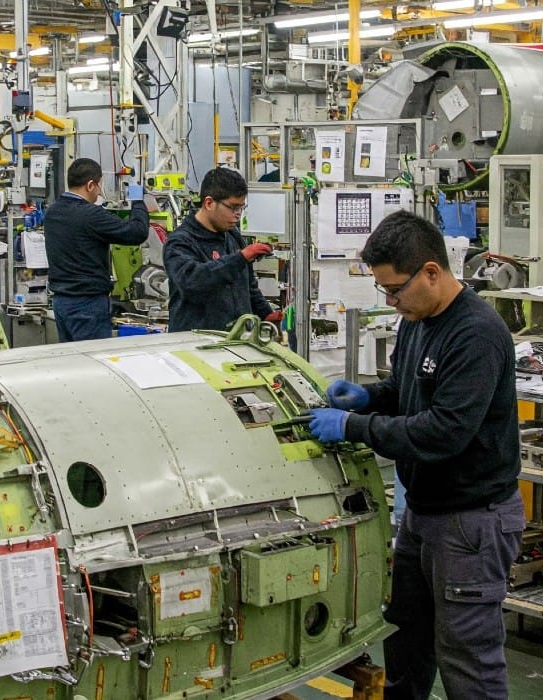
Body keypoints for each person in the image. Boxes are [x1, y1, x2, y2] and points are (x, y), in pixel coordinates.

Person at [308, 210, 524, 699]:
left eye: (395, 290)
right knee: (405, 641)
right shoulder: (416, 319)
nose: (390, 301)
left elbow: (444, 431)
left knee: (468, 659)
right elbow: (407, 392)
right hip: (423, 514)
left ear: (431, 272)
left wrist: (353, 427)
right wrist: (368, 397)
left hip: (471, 521)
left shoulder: (476, 333)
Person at [44, 157, 149, 341]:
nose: (100, 193)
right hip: (87, 305)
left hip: (61, 303)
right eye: (99, 186)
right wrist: (138, 201)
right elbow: (137, 232)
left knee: (74, 357)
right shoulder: (91, 215)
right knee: (94, 357)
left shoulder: (52, 212)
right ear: (90, 185)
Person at [163, 168, 279, 332]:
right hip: (196, 341)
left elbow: (249, 287)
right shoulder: (180, 242)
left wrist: (267, 314)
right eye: (233, 207)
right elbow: (192, 281)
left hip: (236, 339)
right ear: (209, 203)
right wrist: (240, 258)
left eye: (241, 208)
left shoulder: (232, 236)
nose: (238, 215)